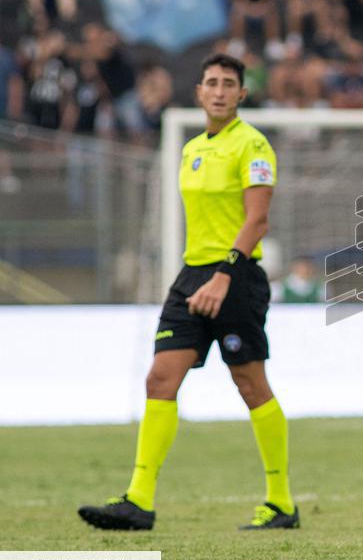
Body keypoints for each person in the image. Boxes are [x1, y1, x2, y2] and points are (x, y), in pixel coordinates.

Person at [78, 53, 298, 530]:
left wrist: (224, 276)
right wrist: (204, 275)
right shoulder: (191, 147)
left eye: (228, 84)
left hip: (236, 278)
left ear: (242, 94)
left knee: (250, 384)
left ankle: (281, 502)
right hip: (191, 276)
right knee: (160, 379)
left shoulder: (253, 146)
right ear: (199, 92)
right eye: (211, 83)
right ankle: (138, 501)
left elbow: (257, 220)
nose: (219, 91)